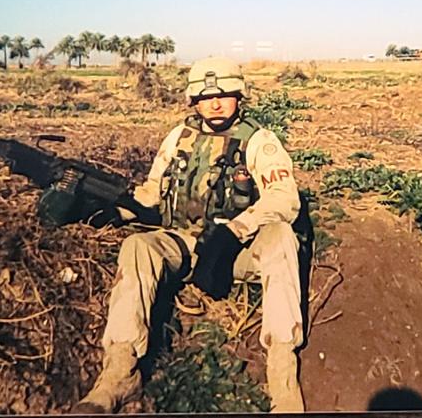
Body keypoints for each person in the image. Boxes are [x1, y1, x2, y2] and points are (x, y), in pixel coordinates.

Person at [71, 56, 306, 413]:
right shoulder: (179, 137)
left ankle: (283, 380)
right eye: (205, 96)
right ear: (193, 100)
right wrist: (116, 211)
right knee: (137, 246)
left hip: (238, 250)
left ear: (239, 96)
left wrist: (233, 233)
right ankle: (120, 372)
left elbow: (285, 198)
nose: (215, 103)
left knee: (281, 237)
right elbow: (152, 192)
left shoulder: (259, 141)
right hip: (183, 241)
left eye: (224, 94)